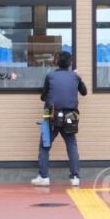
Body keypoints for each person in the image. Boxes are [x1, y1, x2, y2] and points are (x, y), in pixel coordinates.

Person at [32, 51, 87, 187]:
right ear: (70, 64)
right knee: (71, 146)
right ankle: (75, 177)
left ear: (57, 63)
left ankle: (44, 177)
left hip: (52, 116)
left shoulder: (50, 76)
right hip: (70, 117)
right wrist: (79, 78)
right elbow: (84, 92)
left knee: (45, 146)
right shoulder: (75, 77)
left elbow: (43, 97)